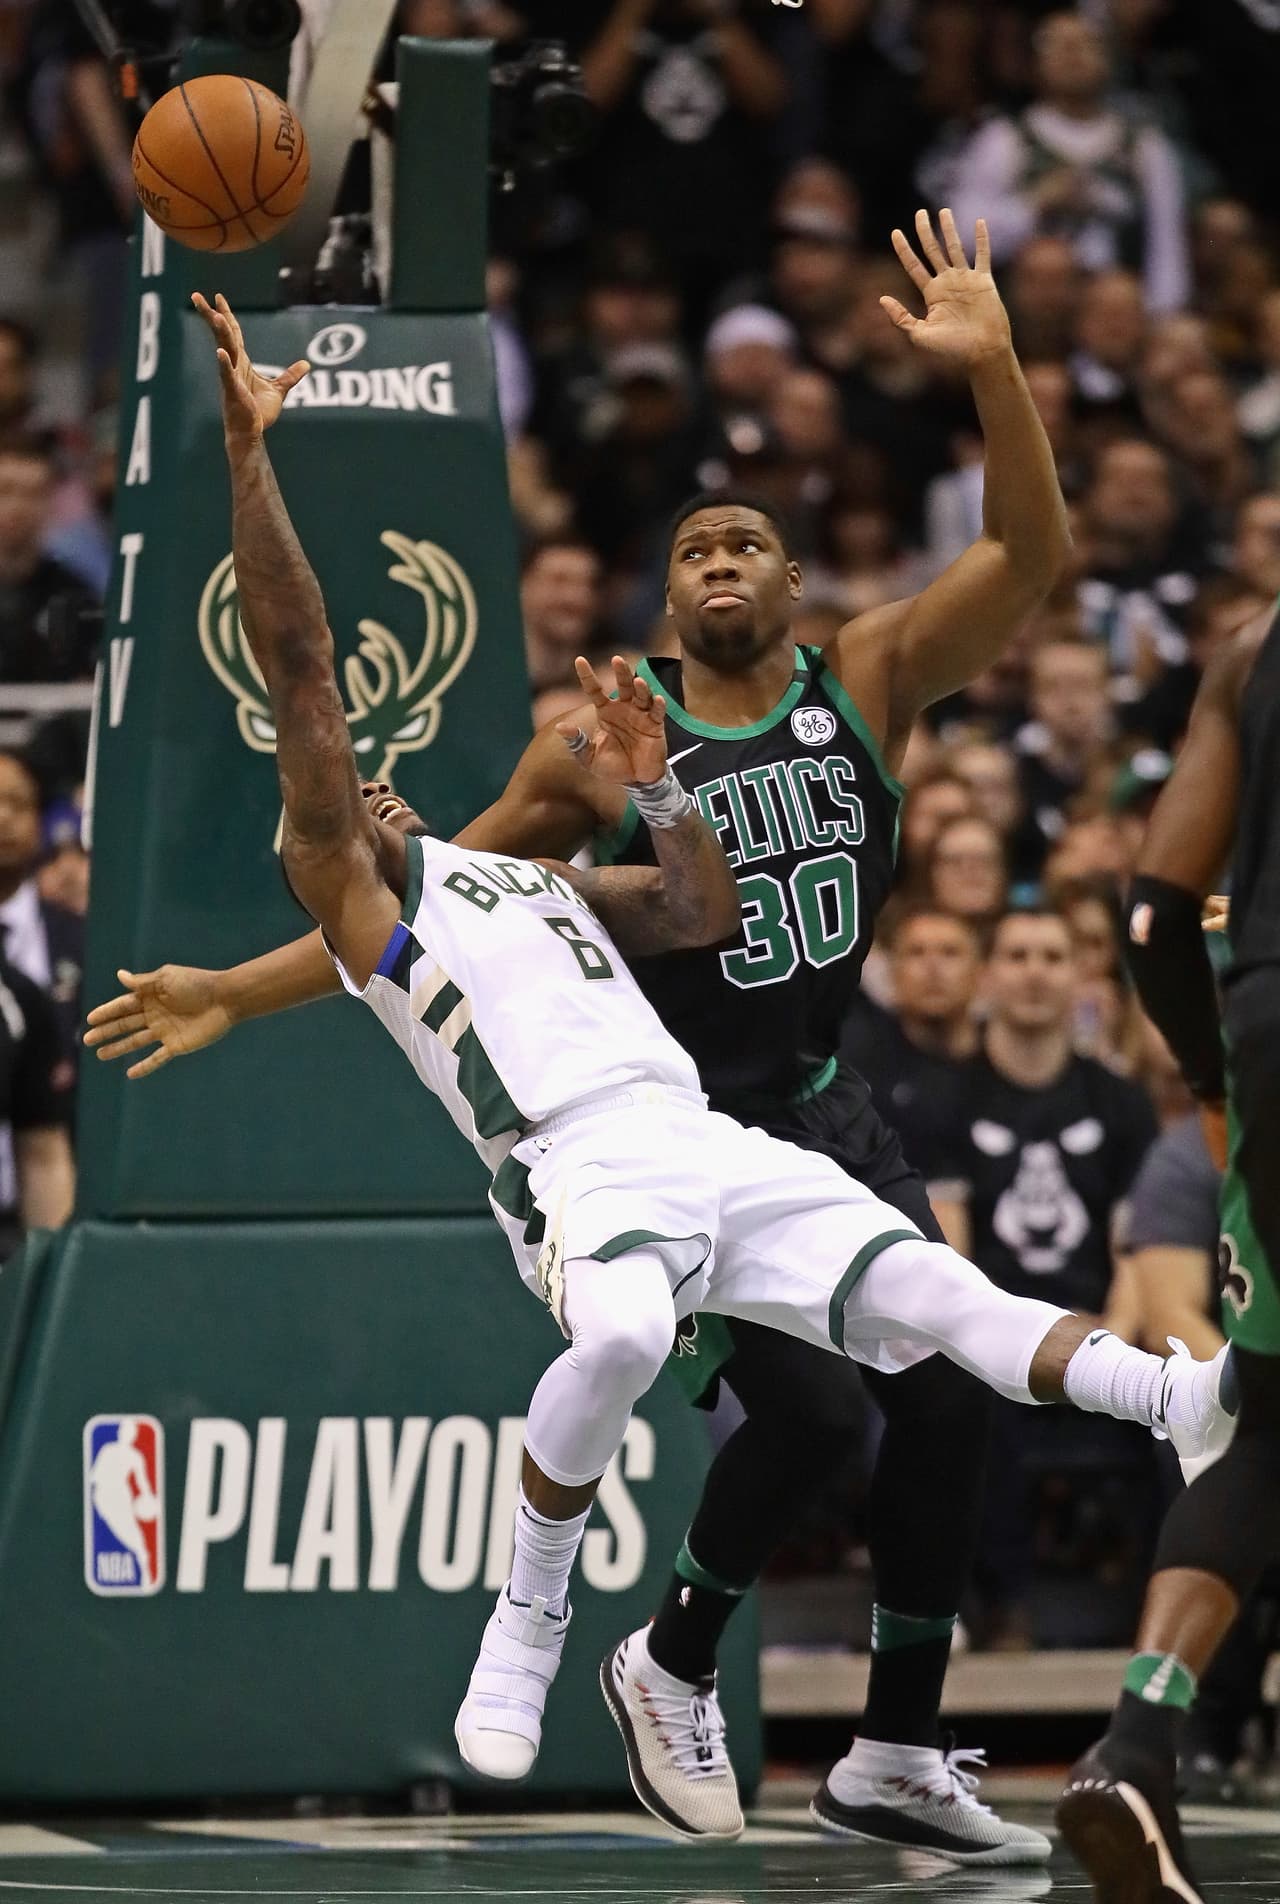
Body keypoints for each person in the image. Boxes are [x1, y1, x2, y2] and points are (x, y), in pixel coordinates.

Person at [100, 286, 1234, 1854]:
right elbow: (415, 885)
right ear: (663, 587)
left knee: (957, 1396)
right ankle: (663, 1660)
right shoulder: (575, 762)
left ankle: (895, 1756)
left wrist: (994, 370)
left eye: (743, 544)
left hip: (811, 1106)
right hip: (644, 1137)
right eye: (692, 547)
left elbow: (1028, 561)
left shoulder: (866, 685)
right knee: (824, 1424)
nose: (716, 562)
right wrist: (237, 985)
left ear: (786, 578)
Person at [1057, 603, 1280, 1903]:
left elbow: (1151, 916)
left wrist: (1214, 1073)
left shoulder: (1251, 650)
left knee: (1267, 1426)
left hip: (1266, 1033)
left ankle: (1139, 1739)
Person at [950, 909, 1158, 1648]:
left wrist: (1113, 1337)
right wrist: (1011, 1340)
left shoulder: (1120, 1102)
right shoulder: (951, 1097)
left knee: (1175, 1410)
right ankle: (999, 1611)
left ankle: (1154, 1621)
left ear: (1080, 978)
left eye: (1052, 955)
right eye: (1017, 955)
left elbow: (1139, 1251)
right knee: (960, 1405)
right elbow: (949, 1257)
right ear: (988, 977)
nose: (1035, 971)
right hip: (992, 1336)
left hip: (1103, 1333)